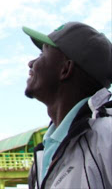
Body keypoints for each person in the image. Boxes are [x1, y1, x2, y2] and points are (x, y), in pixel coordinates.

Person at [22, 21, 112, 189]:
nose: (31, 63)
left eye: (42, 54)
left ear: (65, 69)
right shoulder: (43, 156)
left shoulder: (107, 136)